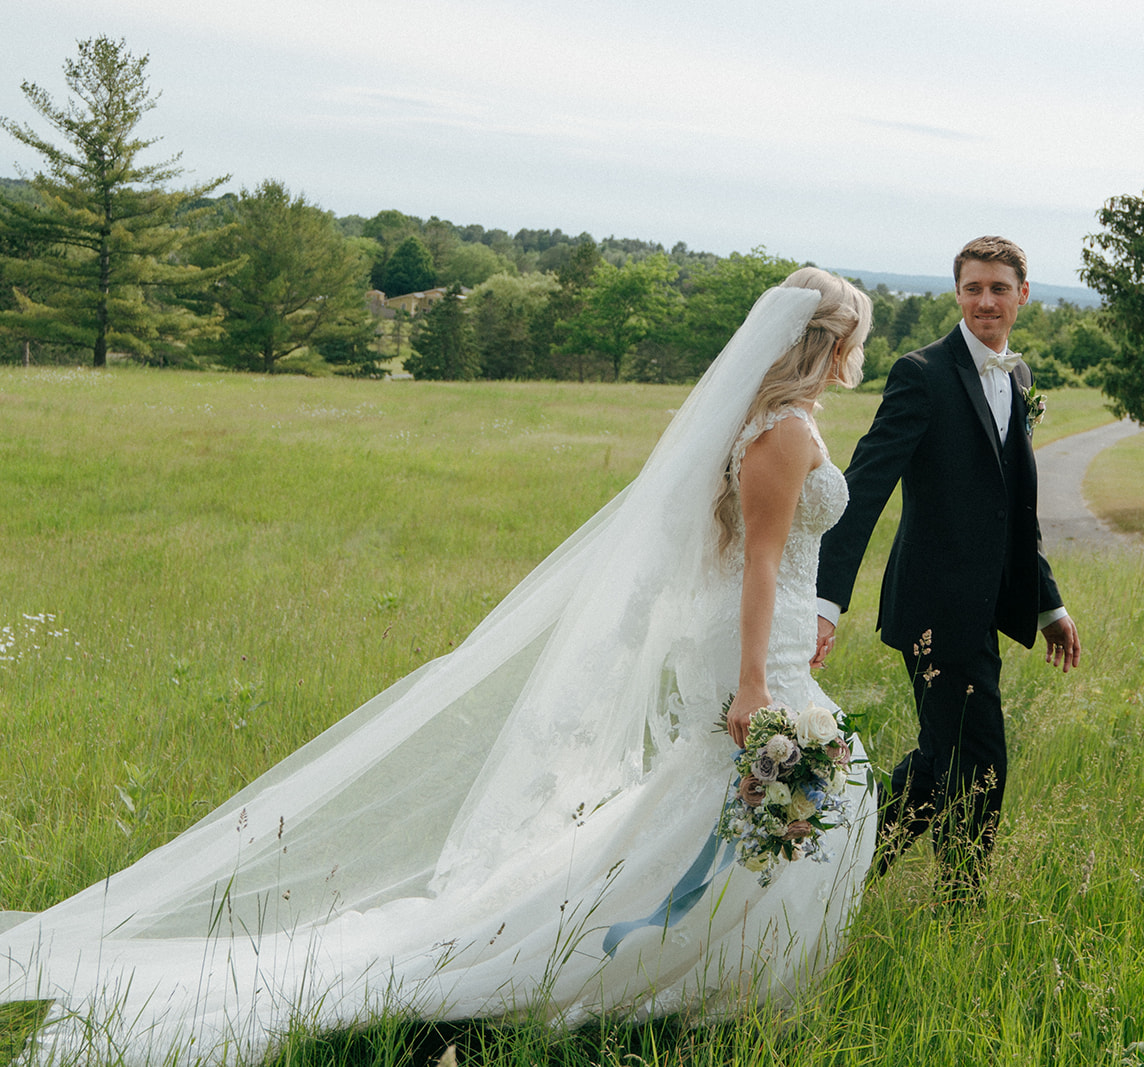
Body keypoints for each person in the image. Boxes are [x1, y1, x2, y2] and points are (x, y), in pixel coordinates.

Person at [0, 269, 877, 1065]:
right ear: (832, 344)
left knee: (746, 795)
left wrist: (794, 636)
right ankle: (657, 962)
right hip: (753, 645)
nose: (858, 357)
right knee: (793, 788)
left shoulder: (766, 425)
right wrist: (758, 675)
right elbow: (759, 560)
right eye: (857, 341)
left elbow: (751, 559)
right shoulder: (787, 432)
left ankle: (710, 962)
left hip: (765, 633)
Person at [815, 236, 1080, 890]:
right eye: (972, 288)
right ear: (956, 293)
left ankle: (839, 875)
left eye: (997, 288)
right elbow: (865, 486)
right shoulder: (923, 373)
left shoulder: (1016, 375)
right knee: (981, 759)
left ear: (1023, 294)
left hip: (983, 606)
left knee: (939, 760)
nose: (984, 300)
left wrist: (1049, 603)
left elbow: (1015, 508)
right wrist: (824, 600)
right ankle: (962, 908)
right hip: (932, 609)